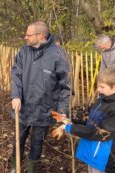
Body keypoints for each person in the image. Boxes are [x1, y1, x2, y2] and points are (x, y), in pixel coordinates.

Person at [10, 21, 70, 172]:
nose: (25, 37)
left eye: (29, 35)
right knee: (18, 139)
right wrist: (16, 95)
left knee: (37, 142)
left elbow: (66, 86)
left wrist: (63, 111)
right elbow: (16, 74)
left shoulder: (58, 55)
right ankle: (14, 165)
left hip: (44, 110)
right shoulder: (24, 51)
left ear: (40, 36)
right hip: (23, 107)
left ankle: (32, 168)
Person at [53, 67, 115, 173]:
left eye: (102, 87)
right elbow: (89, 117)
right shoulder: (103, 99)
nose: (98, 89)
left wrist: (69, 128)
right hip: (93, 152)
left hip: (103, 158)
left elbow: (101, 133)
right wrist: (68, 118)